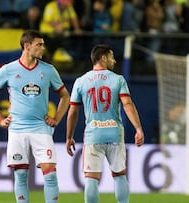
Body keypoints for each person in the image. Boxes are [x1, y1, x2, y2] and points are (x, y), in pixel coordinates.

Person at [0, 30, 70, 203]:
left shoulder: (48, 70)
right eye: (39, 45)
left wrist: (57, 118)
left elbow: (65, 96)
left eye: (43, 44)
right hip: (17, 129)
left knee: (50, 172)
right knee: (21, 174)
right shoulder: (8, 70)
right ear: (27, 46)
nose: (43, 48)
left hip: (41, 128)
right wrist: (0, 119)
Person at [65, 44, 144, 203]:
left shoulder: (81, 81)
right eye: (111, 56)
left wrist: (69, 137)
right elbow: (128, 105)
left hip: (93, 135)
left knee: (91, 178)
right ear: (103, 58)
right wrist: (138, 128)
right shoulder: (118, 79)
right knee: (120, 175)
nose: (114, 60)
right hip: (114, 133)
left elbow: (73, 112)